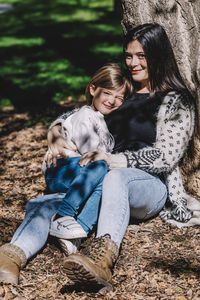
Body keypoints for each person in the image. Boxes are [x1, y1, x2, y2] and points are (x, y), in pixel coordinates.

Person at [0, 23, 198, 289]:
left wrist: (113, 160)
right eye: (129, 55)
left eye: (141, 56)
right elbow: (78, 116)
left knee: (116, 178)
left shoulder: (176, 100)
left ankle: (102, 260)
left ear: (158, 55)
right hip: (98, 174)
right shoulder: (124, 90)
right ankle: (11, 256)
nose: (133, 63)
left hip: (145, 184)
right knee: (47, 203)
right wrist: (55, 134)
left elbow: (167, 156)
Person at [43, 63, 132, 245]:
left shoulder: (102, 119)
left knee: (106, 181)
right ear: (93, 89)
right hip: (60, 170)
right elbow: (89, 155)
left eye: (119, 97)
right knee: (100, 166)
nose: (112, 101)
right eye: (107, 93)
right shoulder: (85, 116)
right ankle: (63, 215)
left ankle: (77, 233)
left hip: (82, 172)